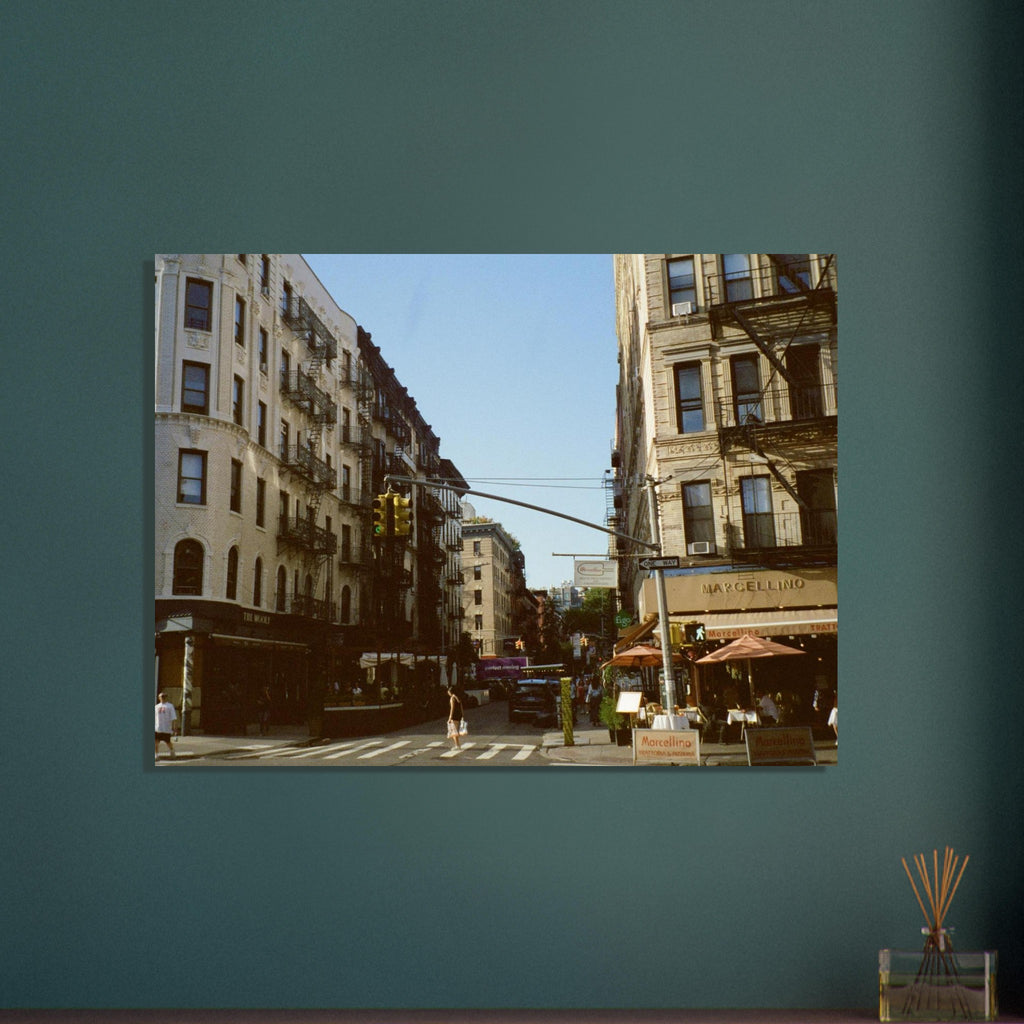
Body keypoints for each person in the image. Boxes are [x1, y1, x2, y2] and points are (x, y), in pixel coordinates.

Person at [155, 692, 177, 758]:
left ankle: (172, 751)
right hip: (158, 728)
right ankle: (156, 754)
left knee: (168, 742)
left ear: (166, 697)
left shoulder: (170, 706)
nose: (163, 698)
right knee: (156, 742)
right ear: (159, 698)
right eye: (161, 697)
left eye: (164, 696)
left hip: (166, 728)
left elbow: (174, 718)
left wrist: (174, 728)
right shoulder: (156, 707)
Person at [446, 684, 464, 749]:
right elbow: (461, 707)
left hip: (454, 716)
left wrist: (450, 717)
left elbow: (452, 708)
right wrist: (462, 715)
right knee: (455, 730)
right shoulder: (458, 697)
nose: (447, 693)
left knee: (454, 731)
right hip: (459, 715)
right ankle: (458, 745)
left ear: (450, 692)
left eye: (448, 691)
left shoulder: (452, 698)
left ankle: (457, 745)